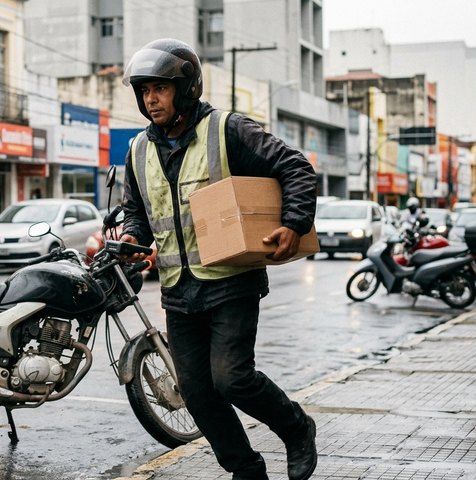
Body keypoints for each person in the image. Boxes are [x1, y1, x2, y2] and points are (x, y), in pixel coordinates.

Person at [119, 38, 318, 480]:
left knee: (232, 378)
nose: (151, 98)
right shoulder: (137, 150)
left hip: (231, 280)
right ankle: (246, 469)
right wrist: (132, 237)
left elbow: (295, 167)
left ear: (186, 88)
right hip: (178, 290)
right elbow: (138, 212)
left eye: (161, 88)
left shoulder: (227, 129)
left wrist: (295, 221)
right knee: (198, 392)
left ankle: (297, 427)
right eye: (144, 90)